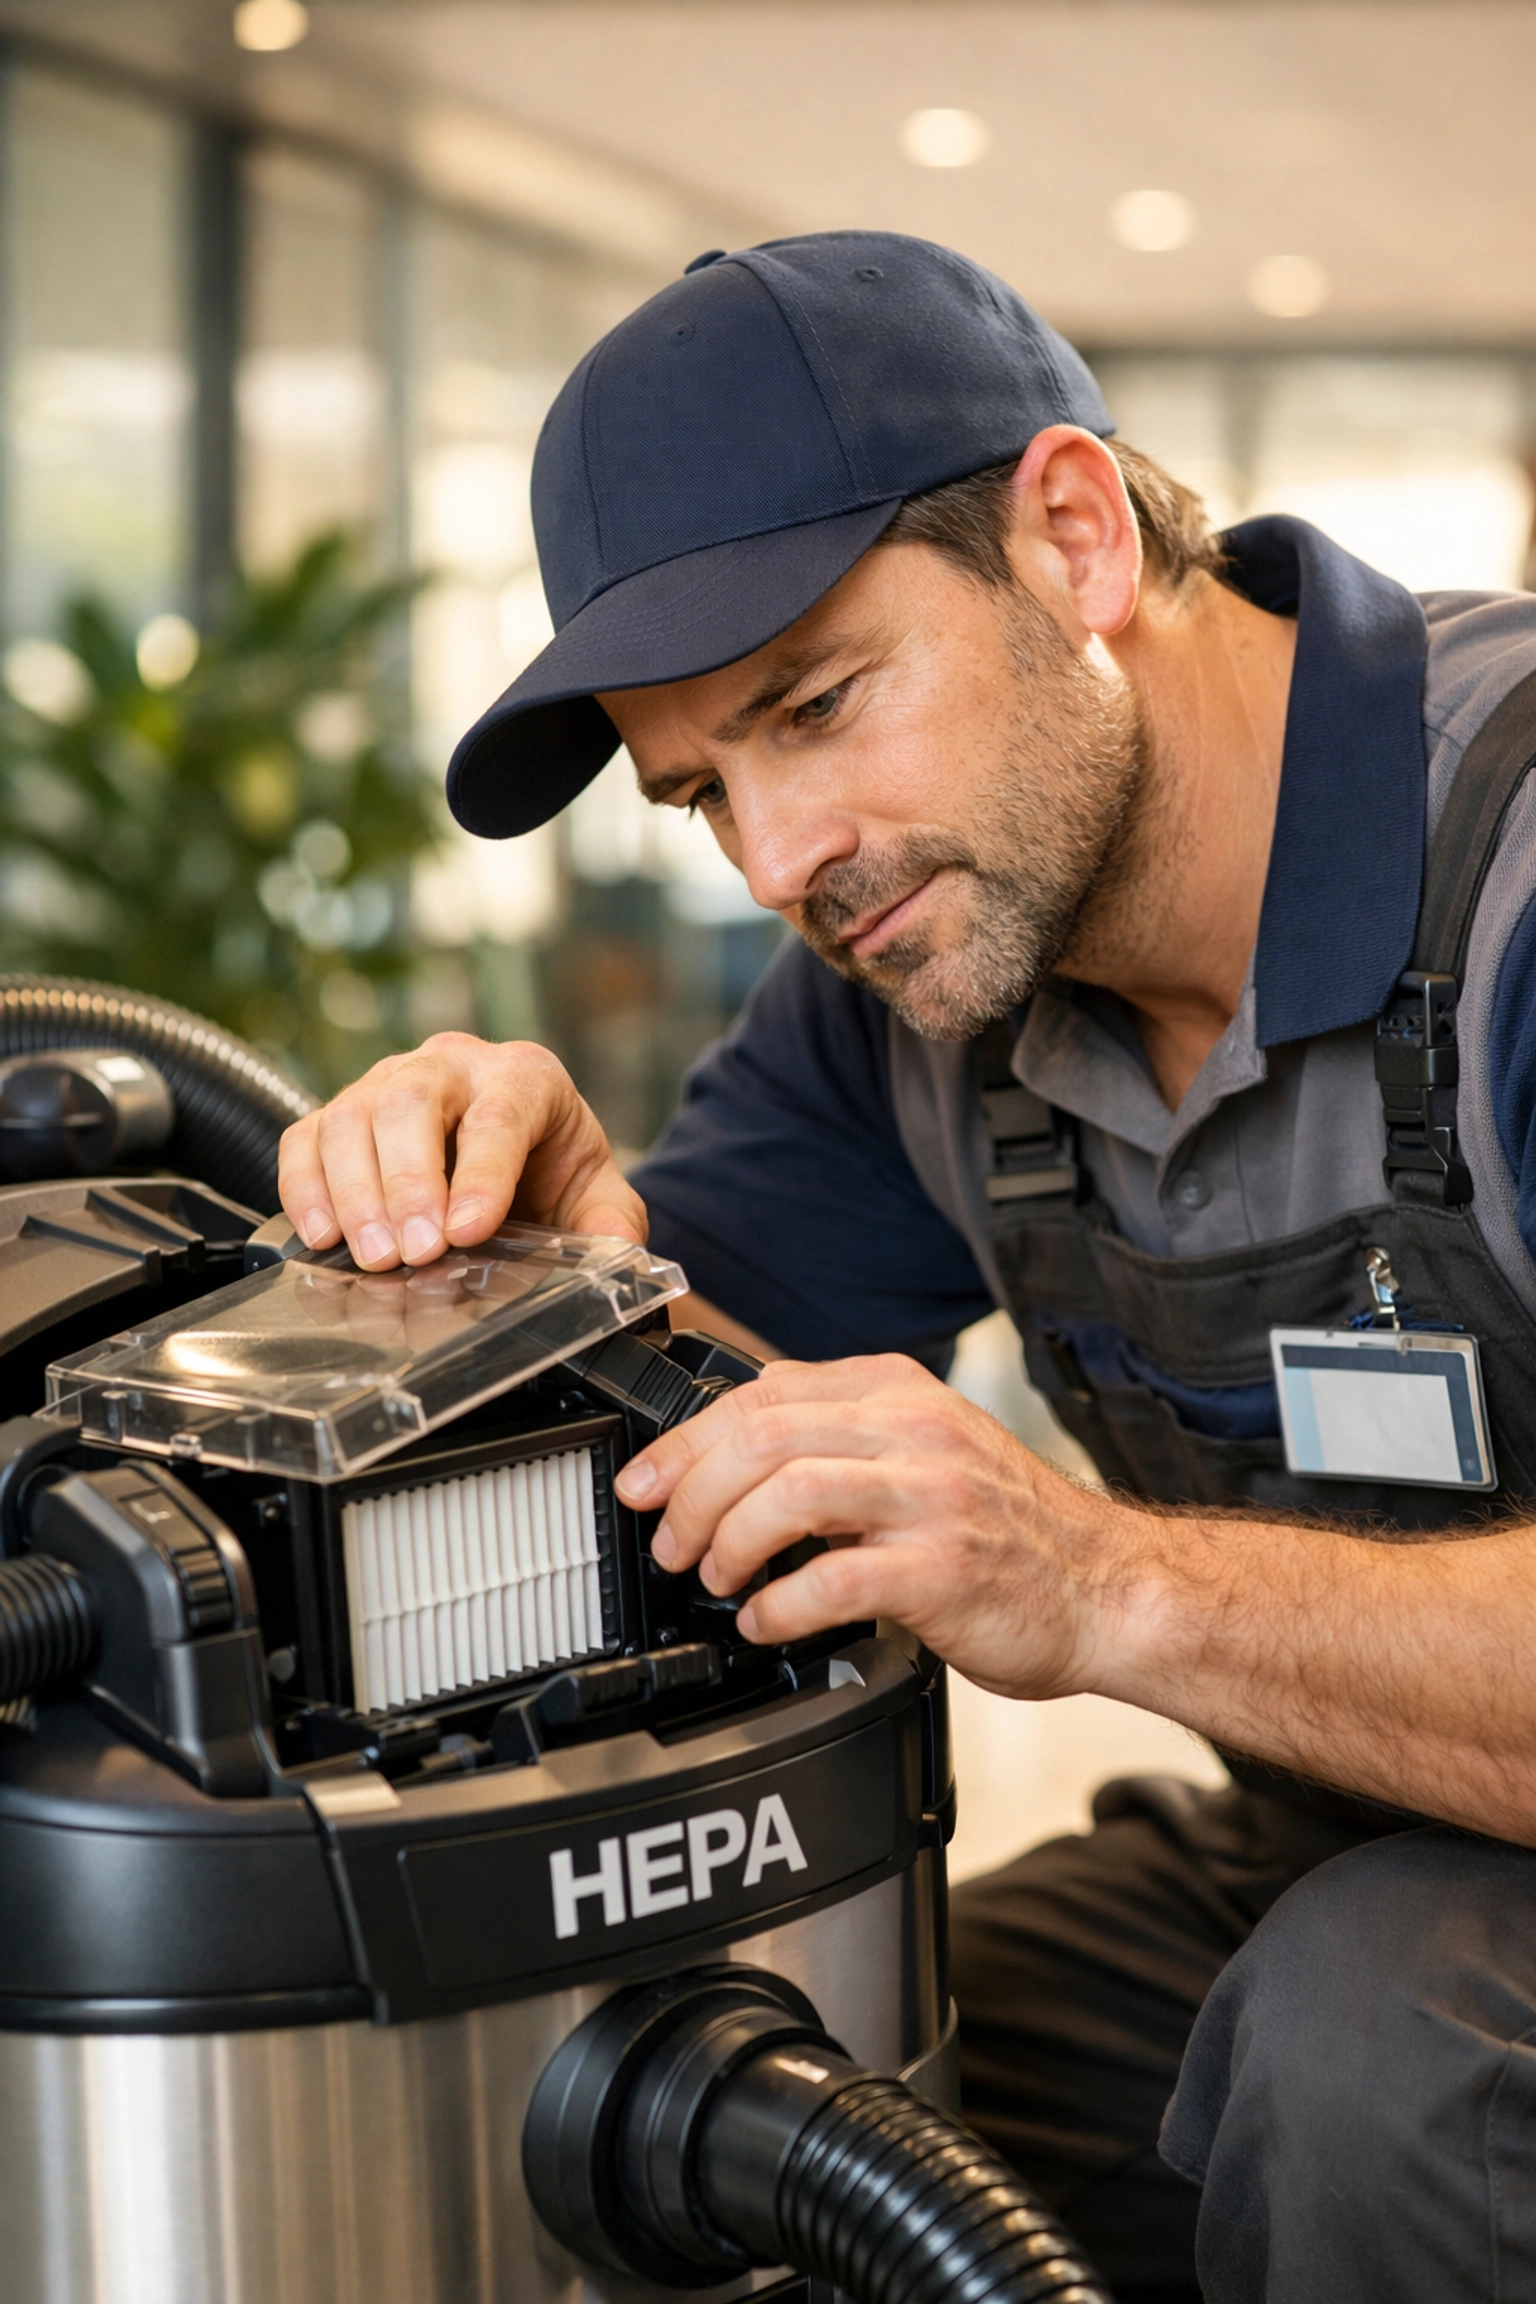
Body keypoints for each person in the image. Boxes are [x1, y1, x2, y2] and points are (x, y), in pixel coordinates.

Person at [278, 233, 1536, 2304]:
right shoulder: (908, 982)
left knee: (1375, 2047)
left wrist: (1100, 1579)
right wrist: (545, 1270)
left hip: (1413, 1956)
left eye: (818, 705)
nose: (782, 861)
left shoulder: (1519, 858)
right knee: (791, 2094)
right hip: (1340, 1843)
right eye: (705, 794)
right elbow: (687, 1418)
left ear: (1067, 536)